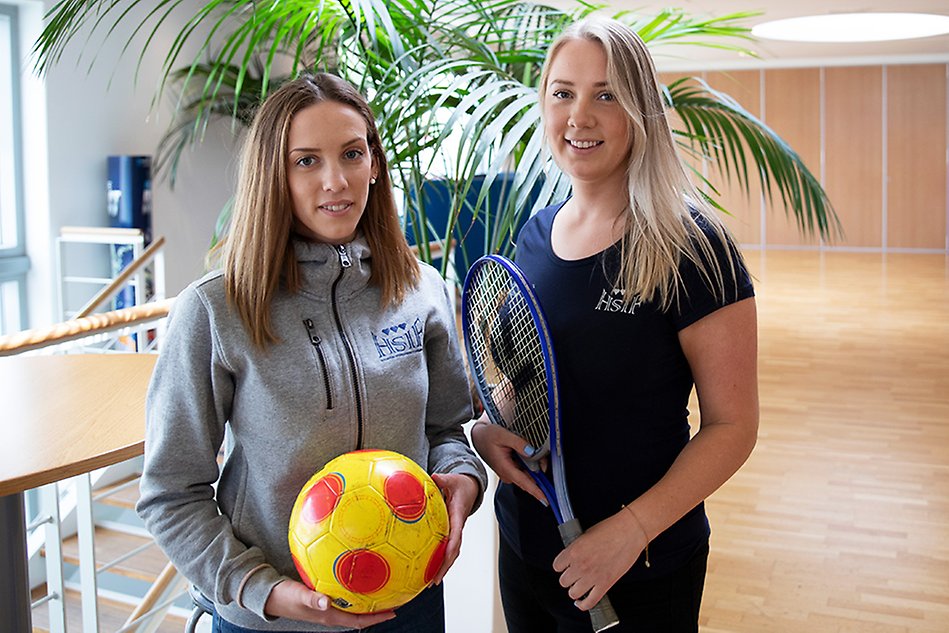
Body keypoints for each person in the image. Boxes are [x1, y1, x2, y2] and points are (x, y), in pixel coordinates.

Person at [137, 73, 487, 633]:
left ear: (375, 163)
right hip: (269, 619)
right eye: (306, 161)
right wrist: (265, 591)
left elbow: (448, 432)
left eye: (352, 154)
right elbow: (170, 495)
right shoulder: (215, 309)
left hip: (409, 604)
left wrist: (462, 485)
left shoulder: (422, 289)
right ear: (273, 175)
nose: (336, 181)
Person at [470, 17, 759, 633]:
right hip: (527, 549)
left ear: (642, 111)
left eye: (606, 94)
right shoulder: (534, 235)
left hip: (641, 568)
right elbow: (521, 384)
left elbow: (734, 427)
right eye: (563, 93)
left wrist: (630, 531)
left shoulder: (693, 248)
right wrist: (491, 429)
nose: (580, 116)